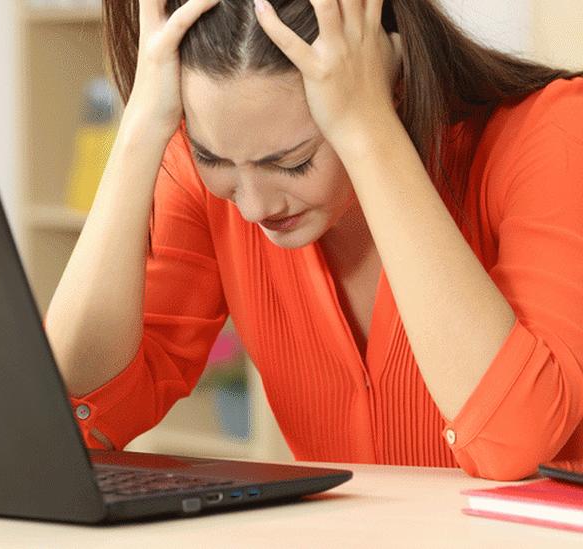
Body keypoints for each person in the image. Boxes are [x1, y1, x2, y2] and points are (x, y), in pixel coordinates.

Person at [43, 0, 583, 481]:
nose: (253, 205)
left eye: (293, 162)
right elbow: (77, 416)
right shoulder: (214, 170)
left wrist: (369, 128)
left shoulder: (552, 132)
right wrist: (140, 129)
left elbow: (513, 440)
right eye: (212, 158)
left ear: (385, 81)